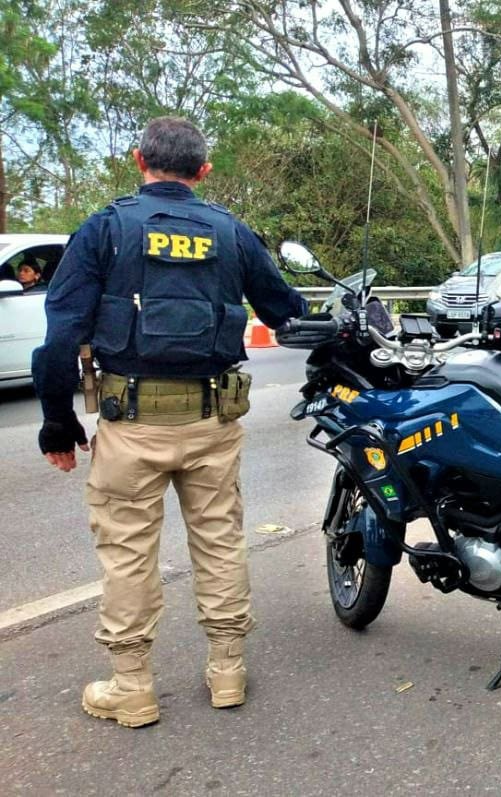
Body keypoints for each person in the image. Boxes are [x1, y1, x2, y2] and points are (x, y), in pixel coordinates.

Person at [31, 116, 307, 728]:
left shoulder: (105, 228)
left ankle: (132, 687)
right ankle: (227, 671)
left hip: (130, 428)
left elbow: (58, 342)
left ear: (139, 160)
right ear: (203, 172)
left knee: (128, 554)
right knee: (221, 541)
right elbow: (287, 312)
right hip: (214, 423)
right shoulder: (232, 234)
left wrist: (58, 425)